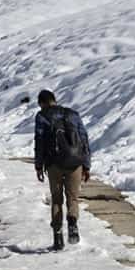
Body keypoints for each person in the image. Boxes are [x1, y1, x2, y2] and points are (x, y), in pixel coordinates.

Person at [34, 89, 92, 251]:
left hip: (54, 164)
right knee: (72, 198)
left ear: (41, 103)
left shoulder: (42, 116)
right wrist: (86, 165)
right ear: (55, 99)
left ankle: (58, 236)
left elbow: (39, 141)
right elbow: (84, 139)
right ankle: (72, 221)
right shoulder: (73, 114)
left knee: (57, 199)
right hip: (75, 163)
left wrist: (39, 165)